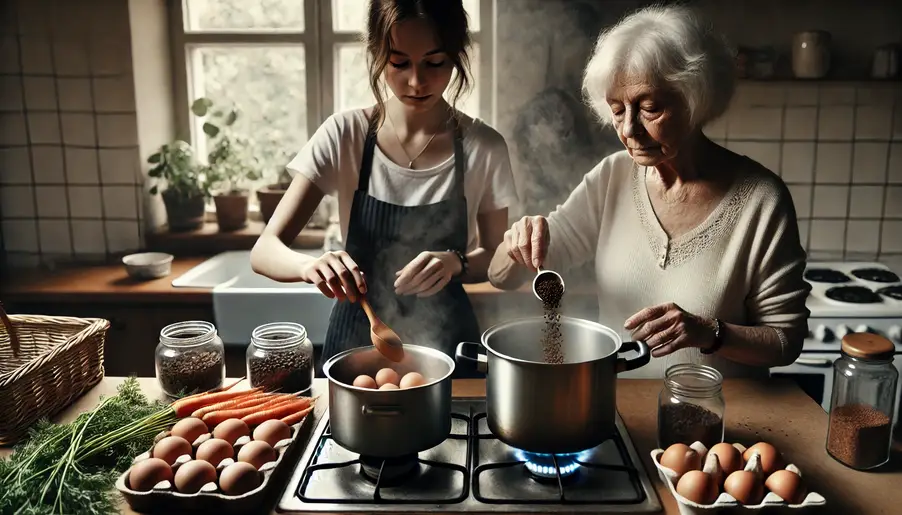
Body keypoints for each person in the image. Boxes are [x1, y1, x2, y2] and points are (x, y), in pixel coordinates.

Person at [487, 4, 810, 379]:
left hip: (719, 421)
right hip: (620, 412)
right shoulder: (612, 178)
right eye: (616, 109)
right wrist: (517, 244)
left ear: (695, 98)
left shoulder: (760, 200)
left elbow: (786, 341)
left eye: (649, 108)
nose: (628, 130)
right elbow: (501, 276)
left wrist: (709, 333)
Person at [251, 0, 517, 377]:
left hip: (450, 347)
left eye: (435, 62)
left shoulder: (483, 147)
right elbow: (264, 251)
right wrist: (310, 266)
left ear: (457, 56)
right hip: (354, 338)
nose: (416, 81)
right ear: (378, 55)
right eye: (399, 62)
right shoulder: (345, 135)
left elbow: (497, 255)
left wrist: (456, 262)